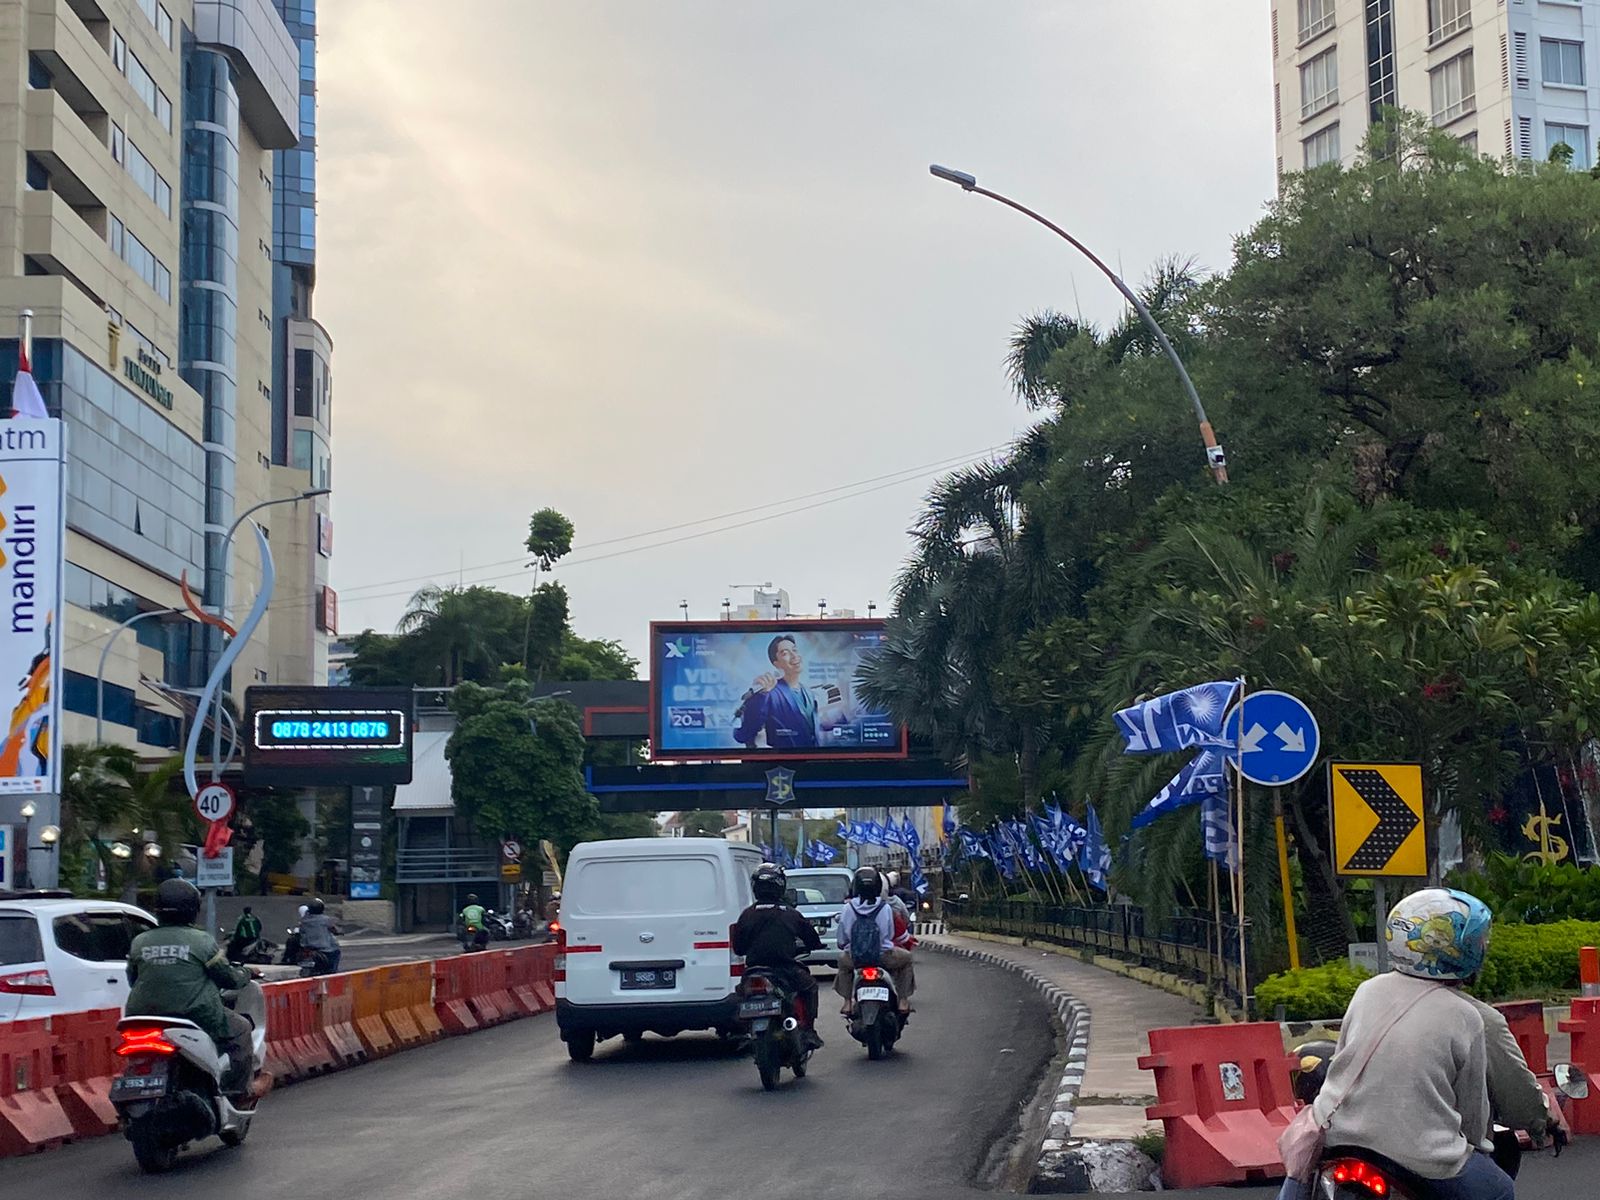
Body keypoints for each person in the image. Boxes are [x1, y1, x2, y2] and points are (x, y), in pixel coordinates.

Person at [1277, 888, 1552, 1200]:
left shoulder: (1368, 990)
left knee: (1305, 1181)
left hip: (1336, 1136)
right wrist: (1479, 1147)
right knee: (1499, 1190)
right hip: (1423, 1157)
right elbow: (1473, 1112)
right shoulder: (1468, 1016)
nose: (1483, 947)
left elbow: (1345, 1059)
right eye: (1477, 941)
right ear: (1454, 949)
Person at [125, 879, 254, 1095]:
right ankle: (238, 1092)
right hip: (196, 1015)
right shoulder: (201, 941)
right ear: (193, 909)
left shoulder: (140, 941)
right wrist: (246, 974)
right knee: (241, 1029)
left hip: (143, 1015)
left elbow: (133, 978)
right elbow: (228, 979)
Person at [731, 862, 825, 1048]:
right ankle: (808, 1031)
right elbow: (812, 940)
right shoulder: (790, 913)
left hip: (754, 971)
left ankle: (742, 1031)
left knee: (740, 995)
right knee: (810, 987)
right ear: (780, 886)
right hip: (784, 969)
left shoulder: (746, 915)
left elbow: (739, 948)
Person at [733, 634, 842, 750]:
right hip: (779, 762)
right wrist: (760, 697)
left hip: (813, 763)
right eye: (785, 653)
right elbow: (743, 735)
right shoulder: (767, 693)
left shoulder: (809, 694)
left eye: (794, 650)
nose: (794, 656)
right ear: (776, 664)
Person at [834, 866, 915, 1014]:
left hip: (855, 958)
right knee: (907, 958)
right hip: (883, 957)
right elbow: (890, 935)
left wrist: (846, 946)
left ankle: (847, 1002)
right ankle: (903, 1000)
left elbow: (842, 939)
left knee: (842, 962)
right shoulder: (885, 908)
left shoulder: (848, 908)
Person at [298, 897, 341, 974]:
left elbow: (301, 931)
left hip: (308, 947)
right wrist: (338, 931)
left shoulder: (304, 920)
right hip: (325, 949)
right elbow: (335, 929)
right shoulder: (326, 919)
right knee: (336, 952)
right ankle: (332, 972)